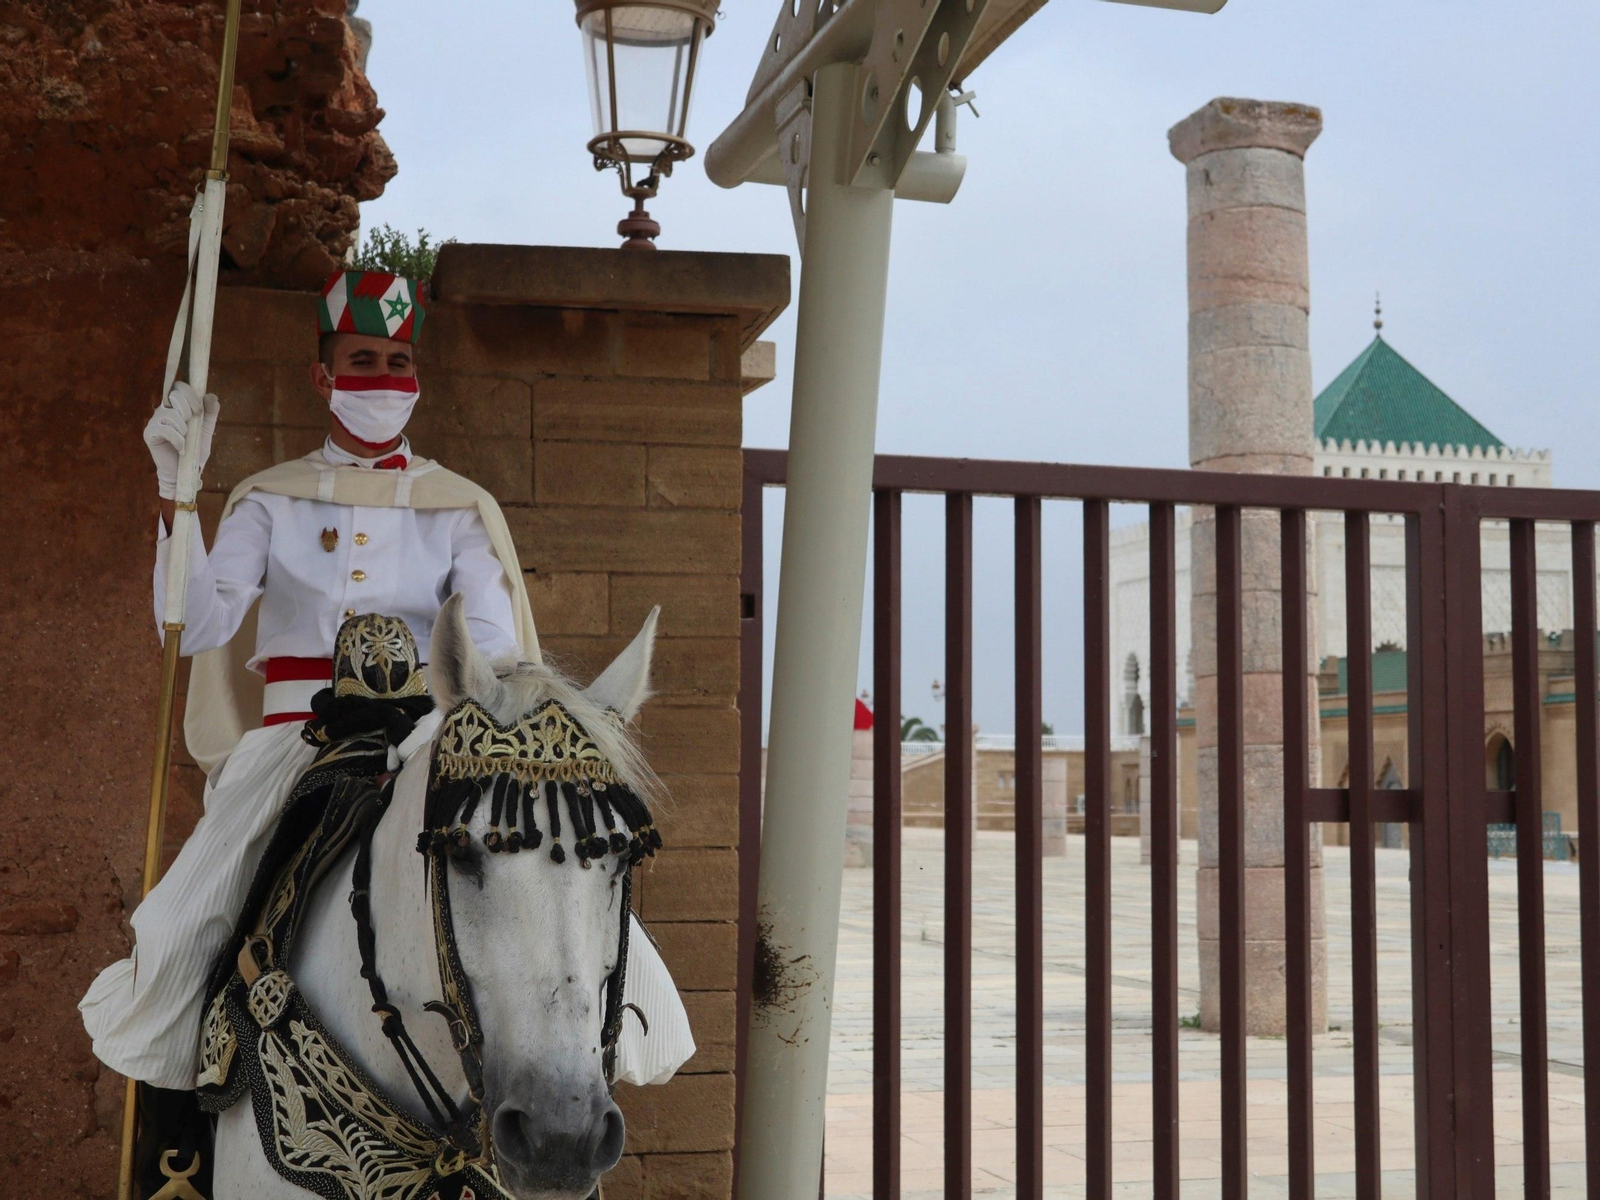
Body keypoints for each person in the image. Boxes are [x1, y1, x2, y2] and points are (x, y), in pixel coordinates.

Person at [81, 270, 691, 1192]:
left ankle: (602, 1038)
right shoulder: (268, 499)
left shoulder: (457, 507)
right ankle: (189, 1103)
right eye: (363, 360)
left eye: (398, 363)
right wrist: (180, 501)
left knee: (554, 864)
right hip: (296, 741)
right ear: (325, 377)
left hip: (424, 732)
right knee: (188, 921)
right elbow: (200, 625)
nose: (383, 378)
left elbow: (490, 649)